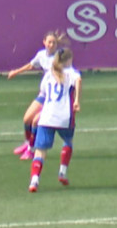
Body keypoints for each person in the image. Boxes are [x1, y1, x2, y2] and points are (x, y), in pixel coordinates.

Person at [28, 48, 82, 192]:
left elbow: (44, 94)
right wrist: (77, 100)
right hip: (65, 116)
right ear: (69, 60)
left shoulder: (48, 75)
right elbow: (79, 80)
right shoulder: (71, 72)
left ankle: (34, 181)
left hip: (47, 116)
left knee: (40, 152)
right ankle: (62, 172)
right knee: (68, 141)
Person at [7, 30, 67, 160]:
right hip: (43, 93)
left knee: (35, 121)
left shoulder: (59, 56)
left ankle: (31, 149)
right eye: (49, 42)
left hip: (53, 97)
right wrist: (15, 72)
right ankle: (27, 143)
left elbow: (66, 73)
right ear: (44, 42)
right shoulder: (41, 55)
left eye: (54, 42)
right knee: (27, 119)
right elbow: (30, 65)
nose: (51, 45)